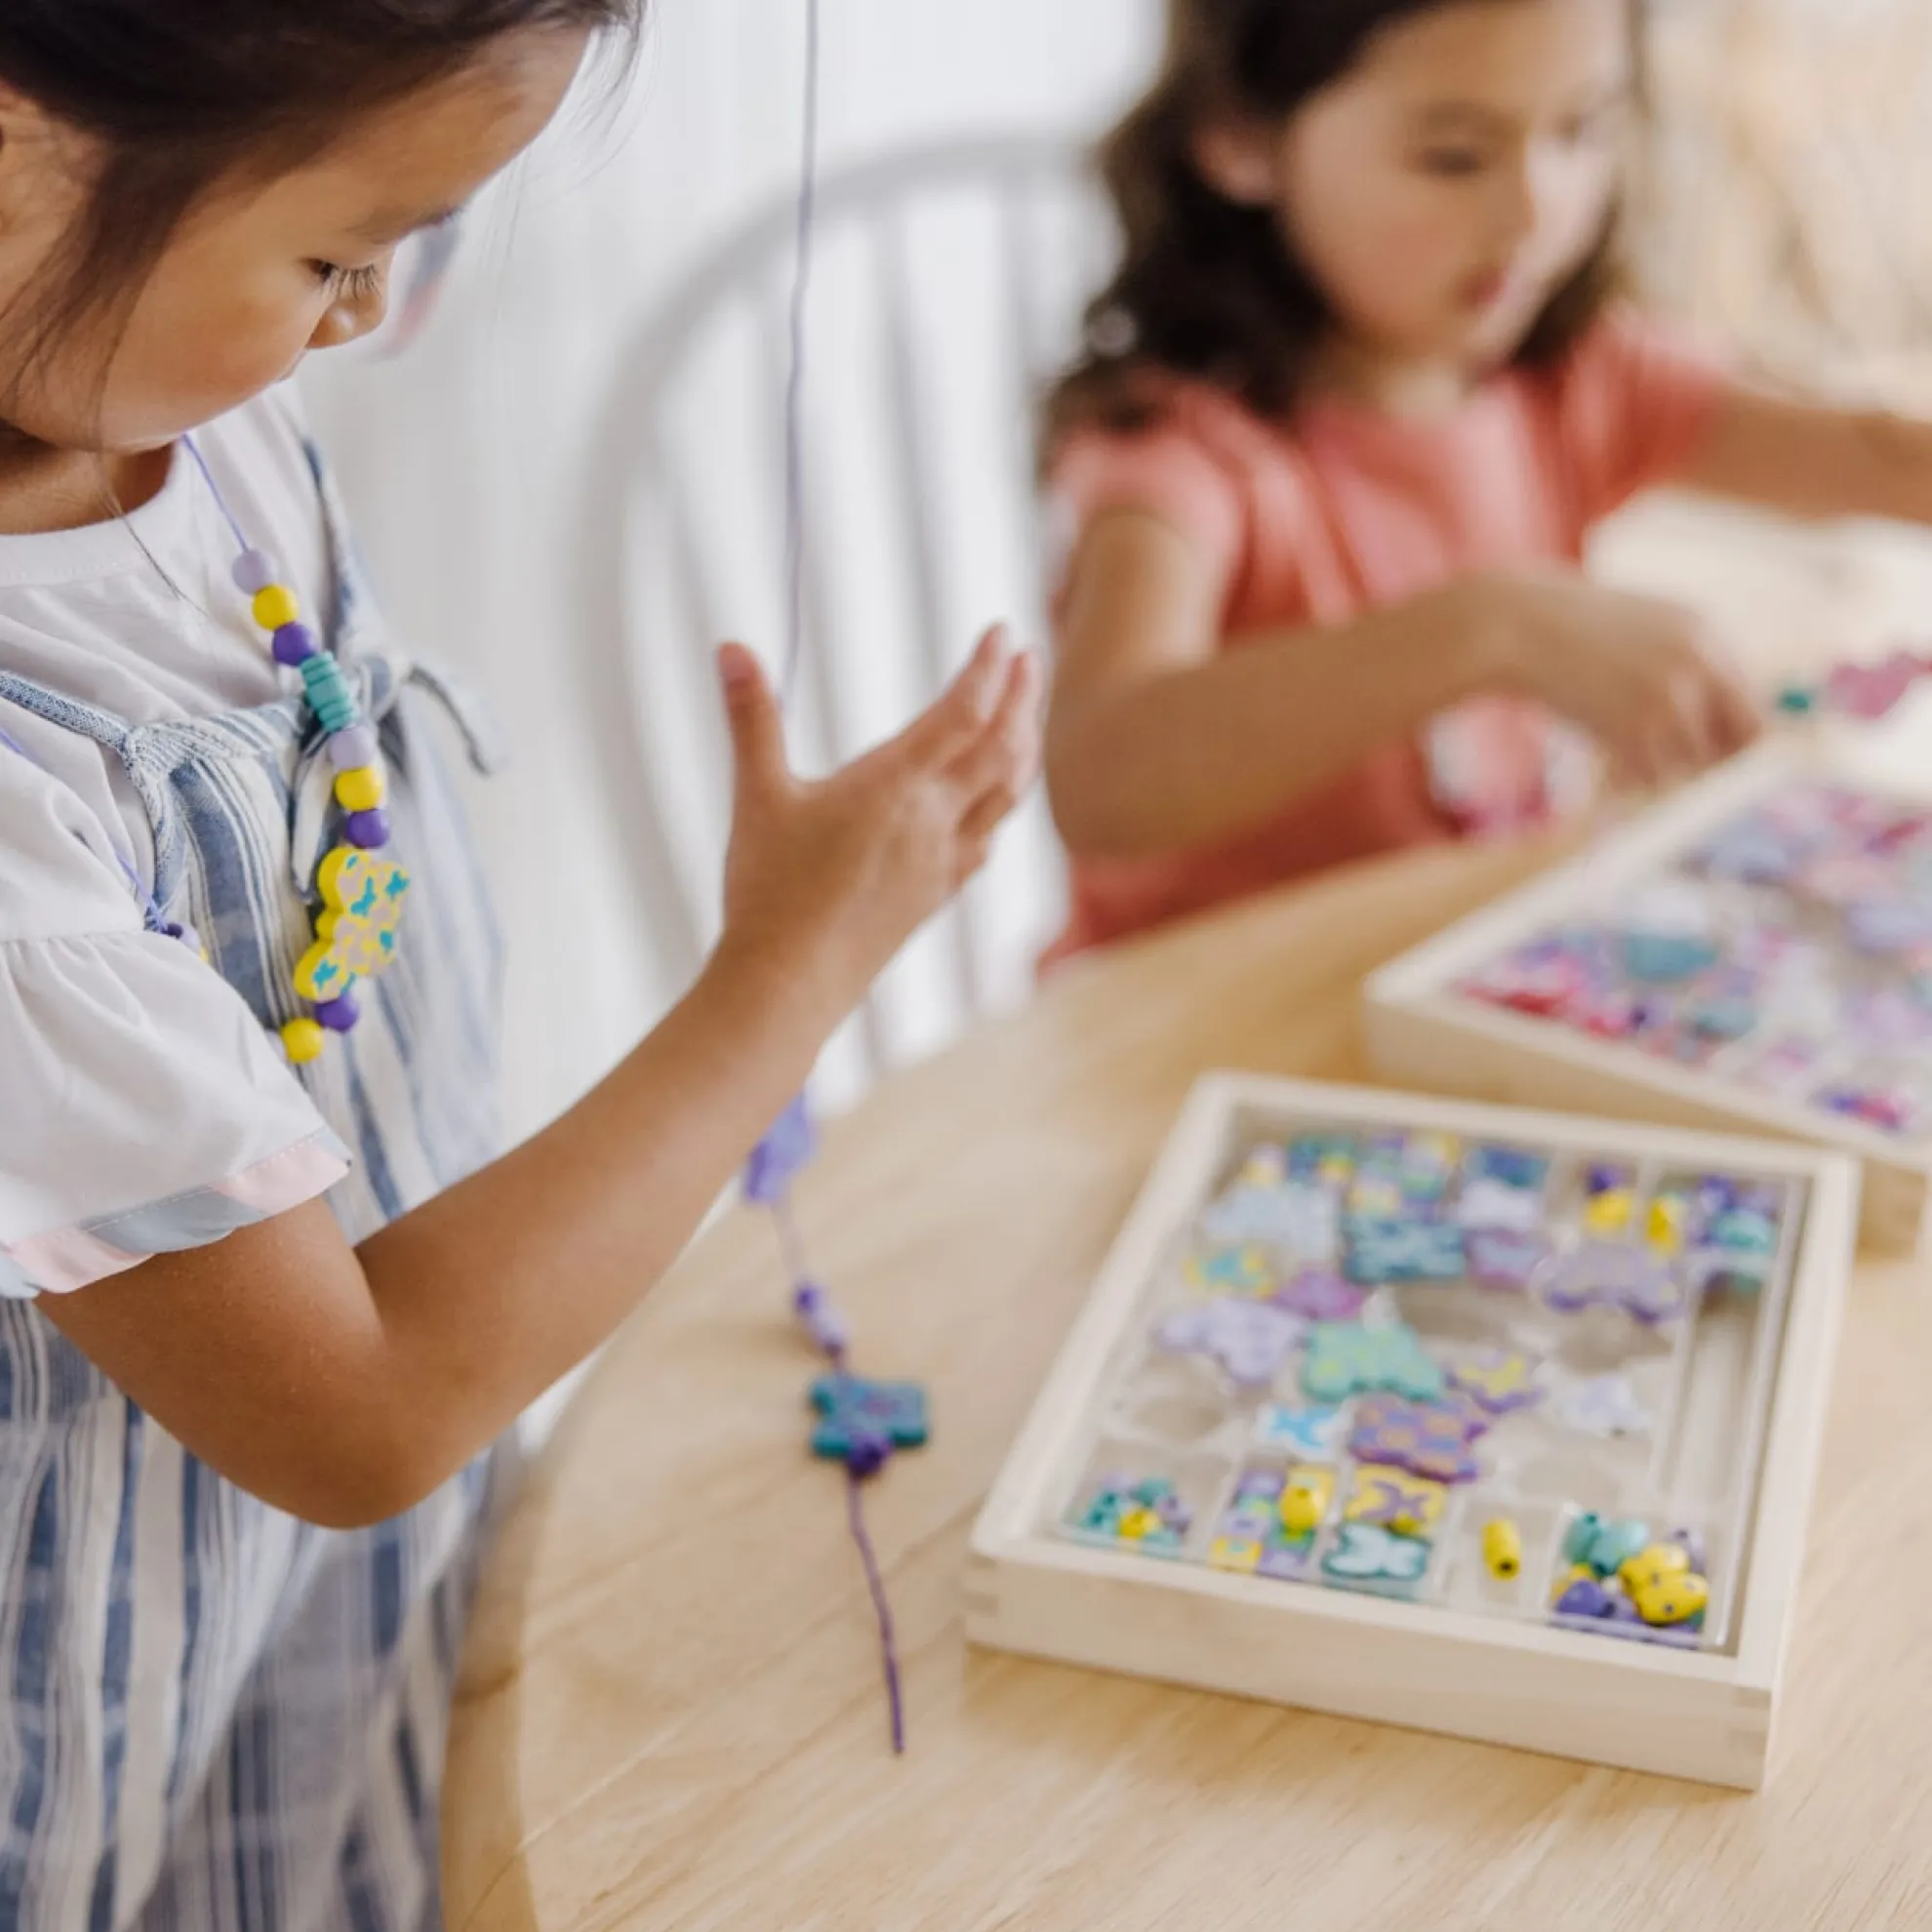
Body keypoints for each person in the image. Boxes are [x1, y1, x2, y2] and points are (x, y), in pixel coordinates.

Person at [0, 4, 1037, 1921]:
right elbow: (359, 1406)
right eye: (334, 254)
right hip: (93, 1680)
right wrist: (786, 978)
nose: (372, 313)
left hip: (321, 1612)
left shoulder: (159, 391)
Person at [1043, 0, 1932, 959]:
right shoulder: (1187, 453)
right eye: (1456, 156)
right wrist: (1494, 627)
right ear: (1240, 135)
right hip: (1185, 1043)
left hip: (1453, 988)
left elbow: (1870, 456)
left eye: (1581, 129)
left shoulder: (1574, 379)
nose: (1535, 211)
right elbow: (1101, 778)